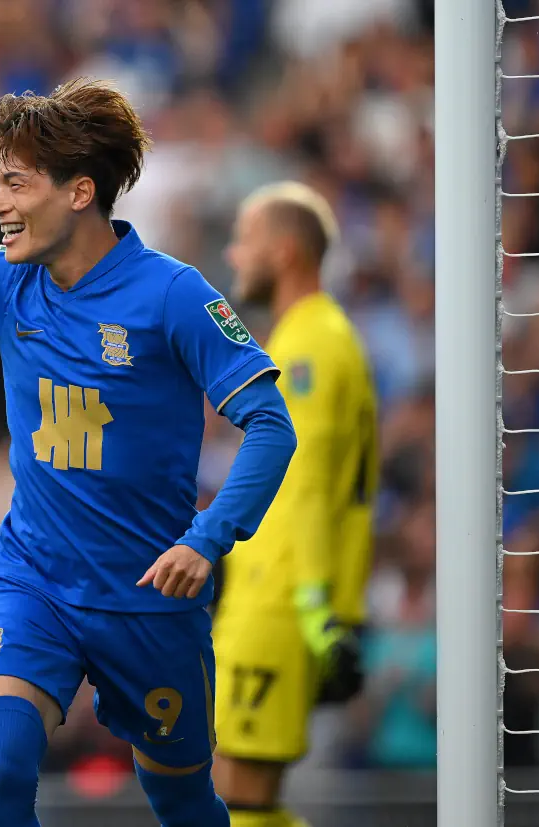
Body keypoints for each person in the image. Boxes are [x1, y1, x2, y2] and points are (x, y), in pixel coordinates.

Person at [0, 78, 298, 827]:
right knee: (4, 769)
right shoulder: (2, 279)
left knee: (182, 800)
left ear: (80, 191)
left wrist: (207, 539)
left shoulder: (176, 295)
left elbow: (271, 424)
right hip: (35, 582)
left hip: (149, 597)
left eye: (15, 183)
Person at [212, 182, 377, 827]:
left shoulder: (310, 346)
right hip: (267, 594)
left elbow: (303, 477)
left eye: (244, 240)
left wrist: (315, 606)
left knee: (239, 795)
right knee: (236, 794)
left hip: (284, 601)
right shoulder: (307, 337)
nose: (233, 254)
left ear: (283, 253)